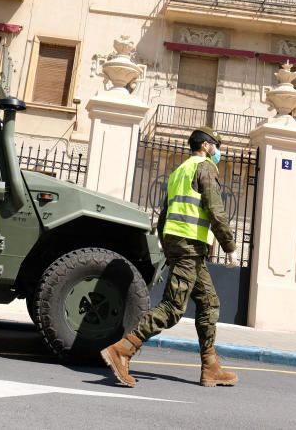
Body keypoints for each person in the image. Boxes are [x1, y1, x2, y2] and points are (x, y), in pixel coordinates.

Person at [100, 126, 239, 388]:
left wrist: (168, 246)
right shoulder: (204, 167)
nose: (218, 152)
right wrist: (229, 245)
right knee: (174, 307)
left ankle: (210, 366)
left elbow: (163, 216)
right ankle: (123, 349)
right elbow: (215, 209)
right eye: (216, 146)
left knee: (209, 303)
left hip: (181, 245)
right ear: (207, 146)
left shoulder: (179, 172)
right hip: (189, 246)